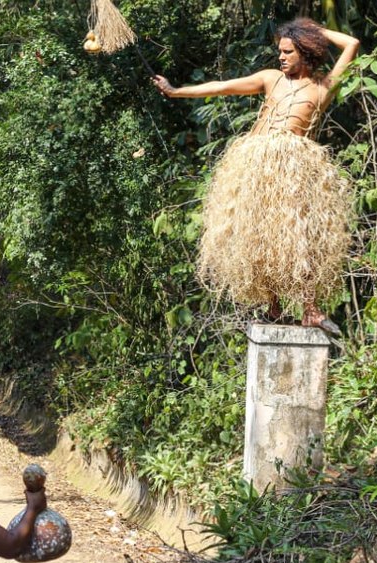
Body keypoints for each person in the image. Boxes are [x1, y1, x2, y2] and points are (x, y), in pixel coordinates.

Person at [152, 19, 360, 336]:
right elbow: (223, 86)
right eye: (280, 51)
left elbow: (352, 45)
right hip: (257, 163)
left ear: (305, 52)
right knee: (260, 237)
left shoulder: (322, 87)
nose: (281, 57)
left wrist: (313, 30)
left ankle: (310, 309)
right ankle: (273, 307)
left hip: (294, 169)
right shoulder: (270, 79)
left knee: (299, 237)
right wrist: (178, 91)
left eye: (288, 51)